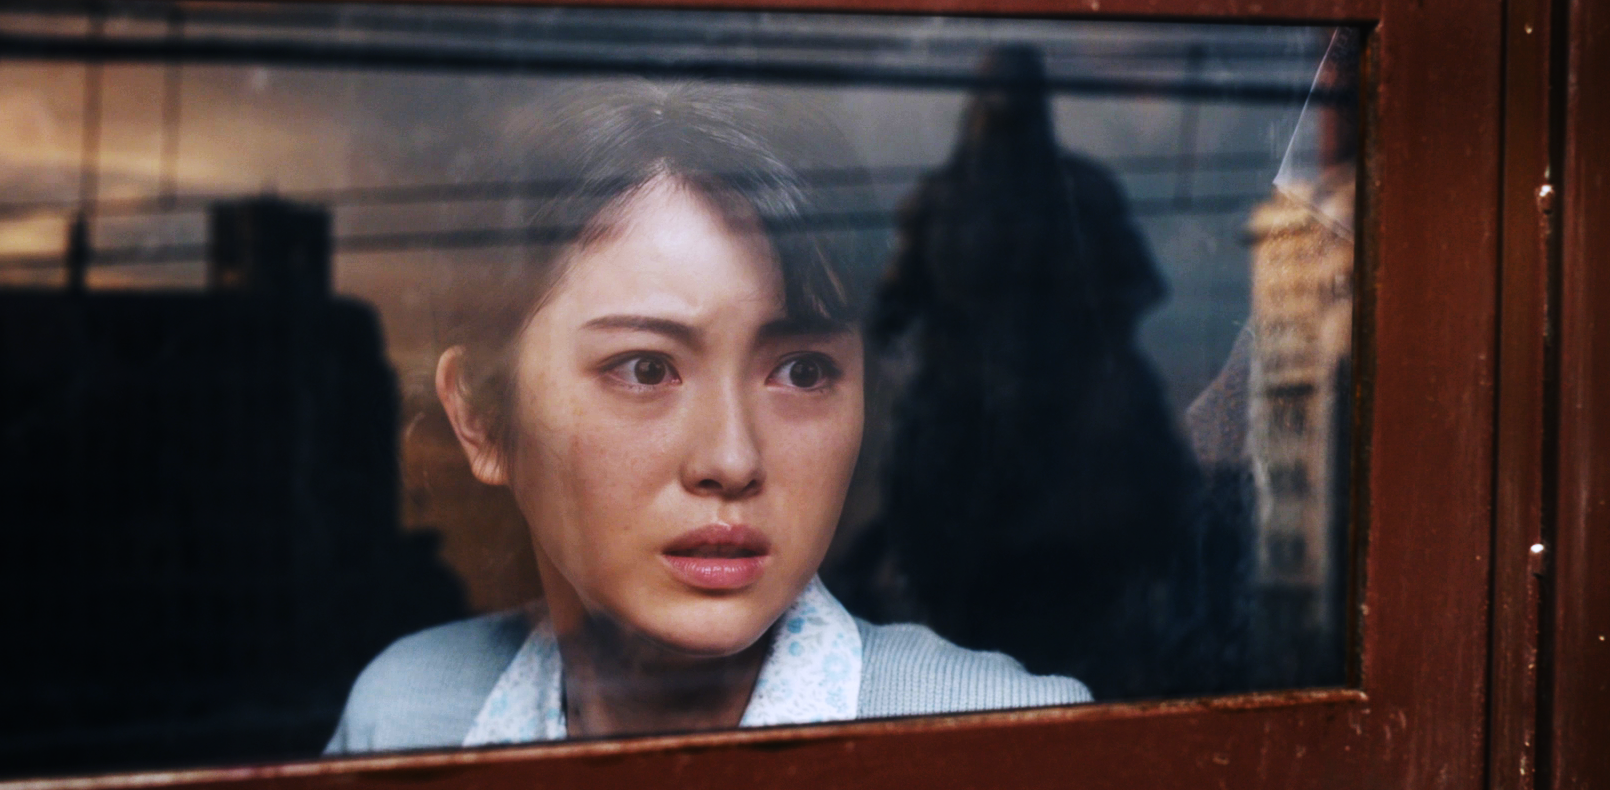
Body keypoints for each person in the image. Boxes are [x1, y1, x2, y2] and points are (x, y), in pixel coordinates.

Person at [324, 83, 1089, 754]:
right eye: (644, 369)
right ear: (481, 417)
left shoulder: (1014, 746)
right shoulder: (407, 717)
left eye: (802, 371)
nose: (731, 459)